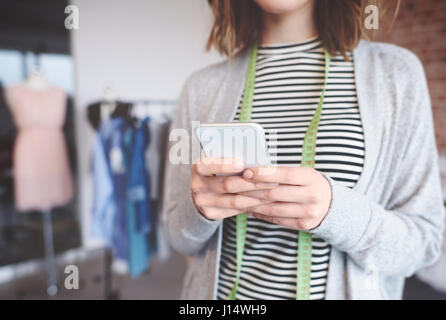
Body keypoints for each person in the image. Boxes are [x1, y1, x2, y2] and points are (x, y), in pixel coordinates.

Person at [162, 0, 445, 300]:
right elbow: (178, 237)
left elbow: (425, 244)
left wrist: (334, 212)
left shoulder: (395, 74)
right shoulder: (201, 87)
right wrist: (200, 209)